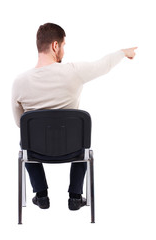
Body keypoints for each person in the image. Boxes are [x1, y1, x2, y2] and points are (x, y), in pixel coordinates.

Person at [12, 22, 137, 211]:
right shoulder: (74, 72)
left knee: (25, 143)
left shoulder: (19, 82)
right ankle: (75, 196)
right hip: (73, 150)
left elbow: (20, 123)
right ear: (55, 45)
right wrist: (123, 52)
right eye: (63, 45)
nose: (64, 50)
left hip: (36, 151)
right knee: (84, 141)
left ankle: (41, 194)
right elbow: (102, 65)